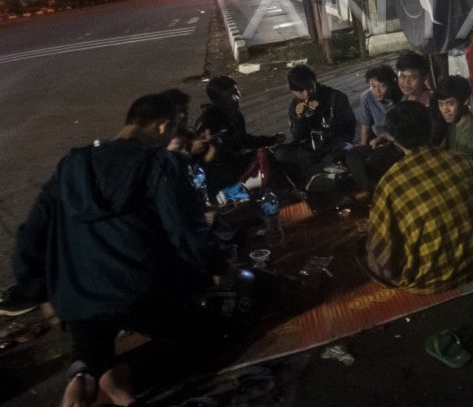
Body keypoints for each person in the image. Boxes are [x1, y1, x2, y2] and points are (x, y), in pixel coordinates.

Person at [11, 92, 228, 407]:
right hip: (142, 293)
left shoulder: (71, 165)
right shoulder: (158, 164)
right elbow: (184, 231)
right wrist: (218, 267)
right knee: (206, 338)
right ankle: (122, 378)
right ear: (163, 127)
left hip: (79, 296)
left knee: (91, 334)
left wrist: (41, 293)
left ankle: (84, 375)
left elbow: (30, 235)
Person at [363, 102, 473, 292]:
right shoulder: (464, 161)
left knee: (367, 251)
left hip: (430, 281)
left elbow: (382, 252)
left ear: (393, 138)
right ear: (431, 127)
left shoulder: (390, 183)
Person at [193, 76, 283, 193]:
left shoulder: (235, 114)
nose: (236, 97)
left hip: (235, 161)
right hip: (219, 171)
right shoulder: (209, 122)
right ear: (218, 100)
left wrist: (271, 140)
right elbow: (203, 159)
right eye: (230, 95)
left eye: (236, 91)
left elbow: (243, 140)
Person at [273, 65, 356, 186]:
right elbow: (298, 136)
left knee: (343, 152)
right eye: (300, 91)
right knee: (280, 153)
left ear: (315, 80)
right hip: (310, 147)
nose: (306, 94)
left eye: (309, 87)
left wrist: (331, 126)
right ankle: (318, 174)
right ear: (293, 91)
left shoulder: (335, 97)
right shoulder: (295, 106)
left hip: (334, 143)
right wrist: (300, 118)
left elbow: (350, 126)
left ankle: (317, 176)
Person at [346, 65, 403, 193]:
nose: (377, 91)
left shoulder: (401, 97)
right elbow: (365, 125)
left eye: (382, 86)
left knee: (374, 162)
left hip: (396, 143)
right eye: (373, 86)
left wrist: (381, 139)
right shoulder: (367, 98)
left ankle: (374, 190)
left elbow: (401, 132)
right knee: (352, 154)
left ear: (392, 83)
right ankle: (368, 188)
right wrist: (363, 147)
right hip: (378, 141)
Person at [434, 75, 473, 167]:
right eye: (441, 104)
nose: (445, 109)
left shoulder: (470, 131)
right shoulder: (455, 122)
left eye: (450, 103)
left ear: (465, 101)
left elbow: (460, 168)